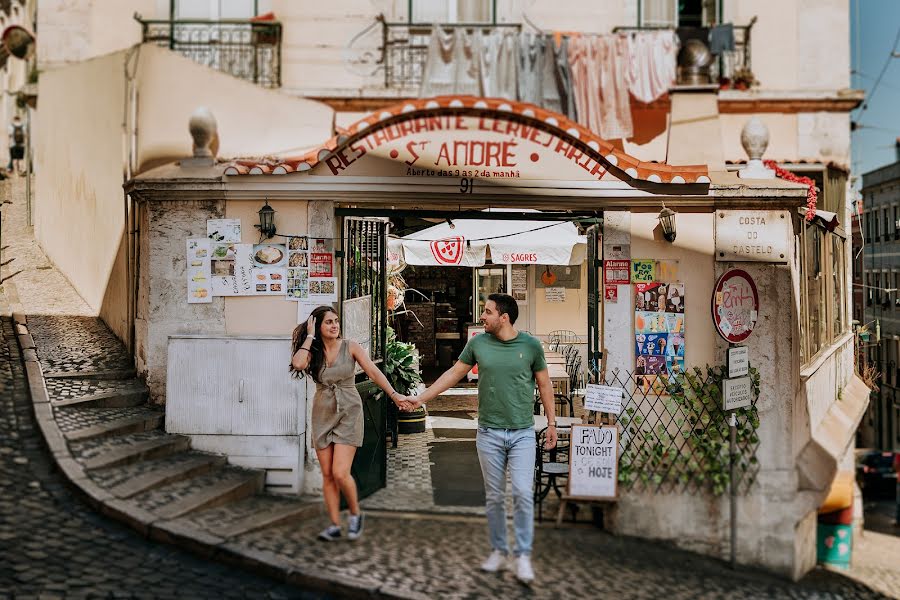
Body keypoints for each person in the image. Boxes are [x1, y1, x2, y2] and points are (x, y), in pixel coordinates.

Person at [401, 293, 557, 584]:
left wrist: (551, 422)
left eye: (487, 312)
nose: (482, 317)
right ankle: (499, 550)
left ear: (504, 317)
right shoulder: (478, 344)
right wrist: (420, 399)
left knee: (523, 493)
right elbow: (452, 374)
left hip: (523, 433)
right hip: (489, 433)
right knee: (495, 497)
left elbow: (545, 384)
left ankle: (522, 554)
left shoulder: (531, 345)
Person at [290, 306, 414, 542]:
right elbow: (297, 364)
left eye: (336, 321)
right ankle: (335, 524)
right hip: (322, 411)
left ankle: (355, 514)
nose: (334, 325)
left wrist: (394, 395)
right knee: (327, 474)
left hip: (349, 410)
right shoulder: (312, 351)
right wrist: (308, 336)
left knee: (339, 472)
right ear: (317, 326)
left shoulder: (351, 346)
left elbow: (374, 372)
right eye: (328, 322)